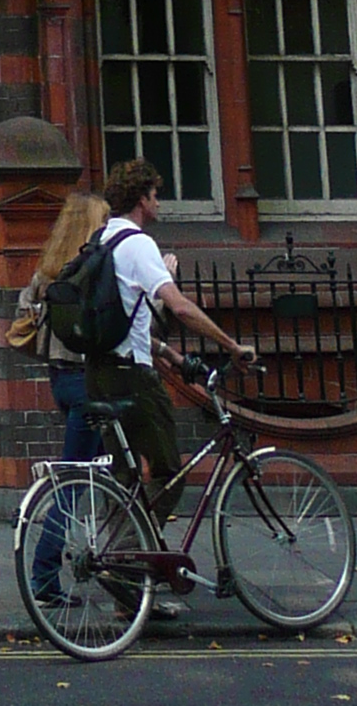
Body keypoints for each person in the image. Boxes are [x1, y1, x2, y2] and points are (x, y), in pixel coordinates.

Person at [85, 154, 252, 521]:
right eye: (155, 194)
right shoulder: (138, 243)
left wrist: (170, 355)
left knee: (124, 476)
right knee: (169, 473)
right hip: (133, 378)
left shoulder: (101, 240)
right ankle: (134, 552)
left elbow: (125, 320)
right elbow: (179, 308)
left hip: (98, 372)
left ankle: (118, 565)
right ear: (142, 199)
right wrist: (231, 346)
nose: (158, 202)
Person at [23, 189, 108, 464]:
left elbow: (24, 303)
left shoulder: (49, 271)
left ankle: (117, 507)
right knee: (76, 475)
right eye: (104, 220)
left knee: (107, 469)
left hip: (59, 378)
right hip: (87, 379)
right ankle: (53, 510)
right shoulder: (92, 272)